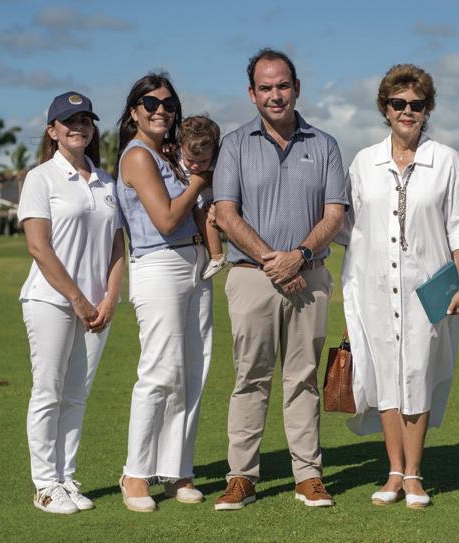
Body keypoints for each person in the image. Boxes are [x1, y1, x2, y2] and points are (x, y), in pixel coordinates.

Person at [212, 48, 347, 511]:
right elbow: (225, 213)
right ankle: (241, 477)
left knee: (303, 379)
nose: (275, 95)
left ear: (297, 88)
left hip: (309, 277)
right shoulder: (234, 144)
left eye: (282, 85)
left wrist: (299, 256)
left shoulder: (324, 144)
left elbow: (334, 214)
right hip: (253, 278)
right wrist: (275, 262)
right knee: (250, 378)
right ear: (252, 94)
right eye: (265, 87)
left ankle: (308, 476)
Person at [341, 64, 459, 509]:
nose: (407, 111)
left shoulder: (446, 160)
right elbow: (347, 226)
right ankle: (394, 471)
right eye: (398, 103)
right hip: (374, 286)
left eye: (416, 105)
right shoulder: (364, 162)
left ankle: (415, 474)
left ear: (427, 109)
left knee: (418, 372)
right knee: (385, 373)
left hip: (428, 289)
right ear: (385, 108)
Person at [18, 91, 125, 514]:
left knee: (77, 394)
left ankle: (66, 478)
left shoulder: (107, 181)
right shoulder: (40, 178)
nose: (79, 127)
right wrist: (77, 298)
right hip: (51, 301)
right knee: (49, 392)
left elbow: (117, 245)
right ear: (52, 131)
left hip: (98, 306)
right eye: (69, 121)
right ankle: (45, 485)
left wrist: (111, 296)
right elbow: (39, 247)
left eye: (85, 120)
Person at [115, 73, 213, 512]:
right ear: (134, 111)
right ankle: (136, 473)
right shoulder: (138, 156)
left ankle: (176, 470)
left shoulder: (169, 154)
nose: (161, 111)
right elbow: (167, 219)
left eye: (169, 104)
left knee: (193, 370)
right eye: (151, 103)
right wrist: (199, 181)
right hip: (159, 264)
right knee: (159, 372)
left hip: (195, 263)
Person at [176, 115, 227, 280]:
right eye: (190, 160)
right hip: (191, 202)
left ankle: (217, 256)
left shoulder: (219, 160)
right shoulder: (175, 153)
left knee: (203, 214)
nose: (196, 166)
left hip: (209, 200)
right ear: (180, 147)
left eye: (204, 161)